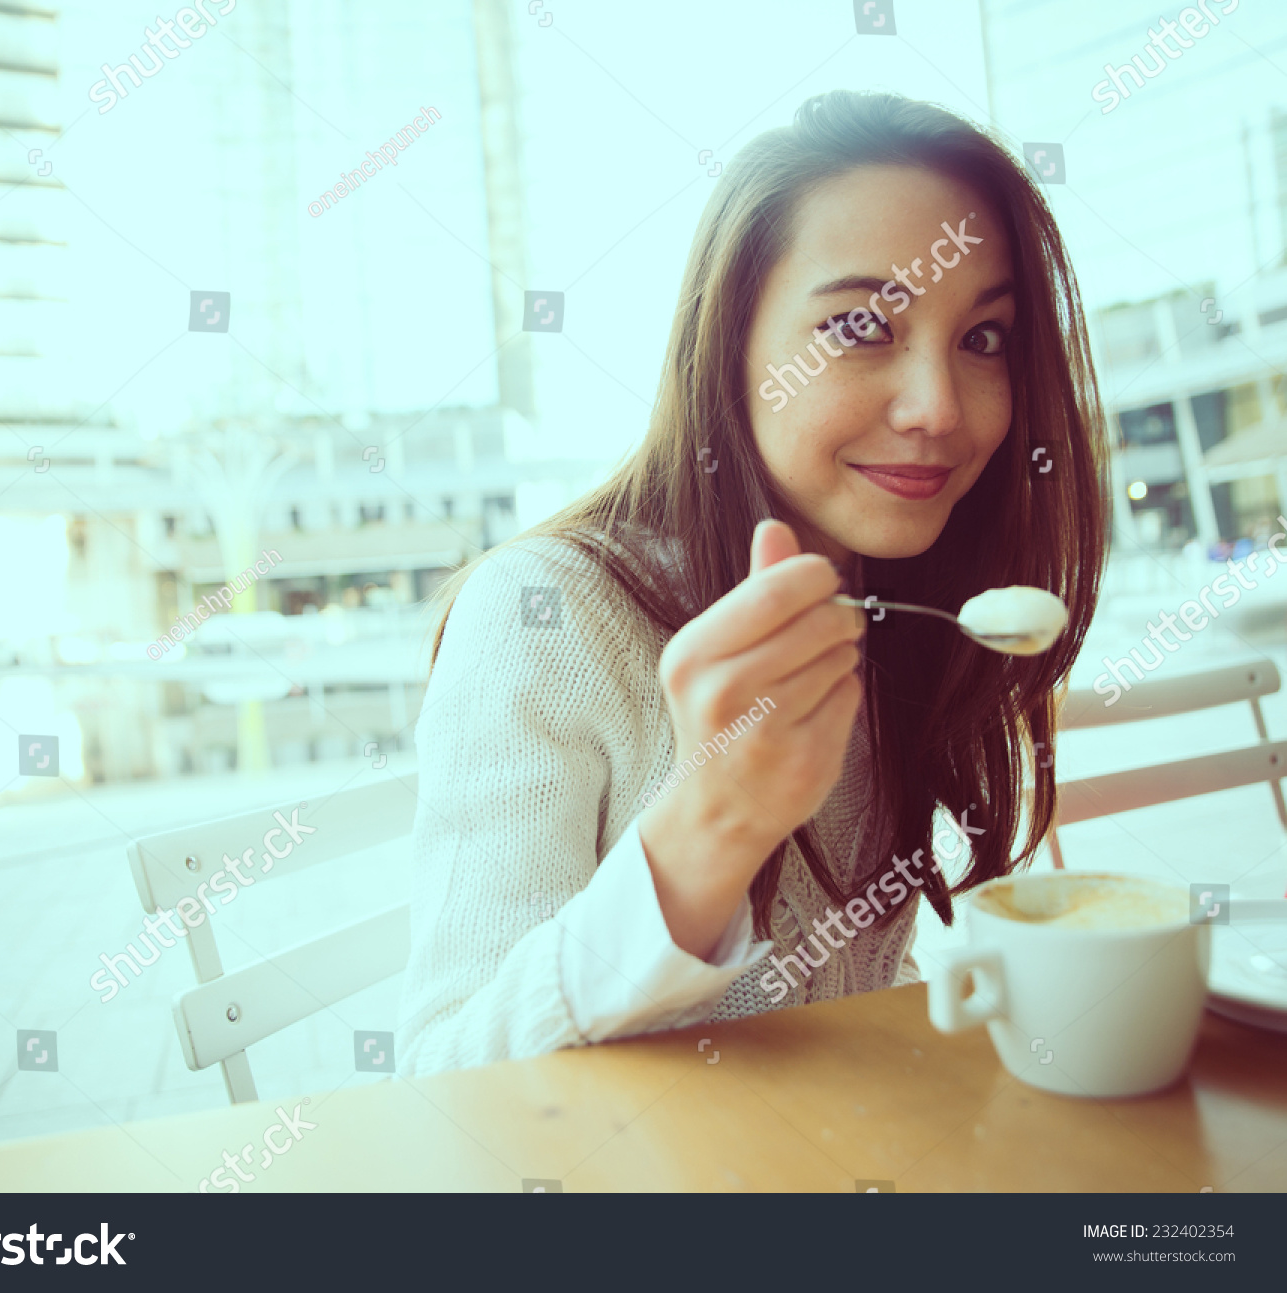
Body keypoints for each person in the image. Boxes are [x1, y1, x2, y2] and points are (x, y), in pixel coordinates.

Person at [395, 90, 1107, 1076]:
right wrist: (706, 828)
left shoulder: (893, 605)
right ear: (728, 346)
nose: (940, 408)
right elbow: (441, 1084)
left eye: (984, 339)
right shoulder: (543, 617)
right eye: (861, 325)